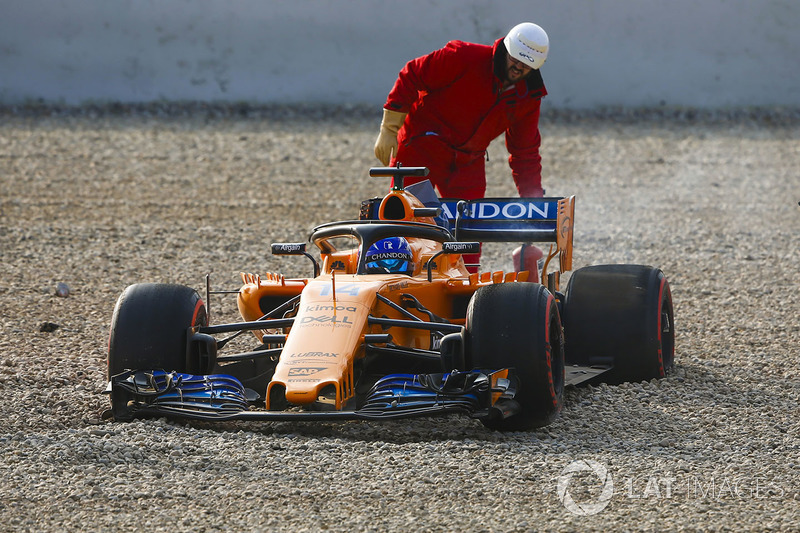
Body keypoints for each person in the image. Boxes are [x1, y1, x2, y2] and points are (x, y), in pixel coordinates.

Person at [374, 22, 549, 273]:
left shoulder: (528, 96)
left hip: (468, 162)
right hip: (421, 149)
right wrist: (389, 127)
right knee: (406, 224)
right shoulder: (463, 57)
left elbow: (525, 152)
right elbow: (413, 73)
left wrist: (534, 200)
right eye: (516, 59)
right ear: (506, 50)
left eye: (527, 65)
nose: (519, 68)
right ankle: (400, 283)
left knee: (469, 232)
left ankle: (463, 294)